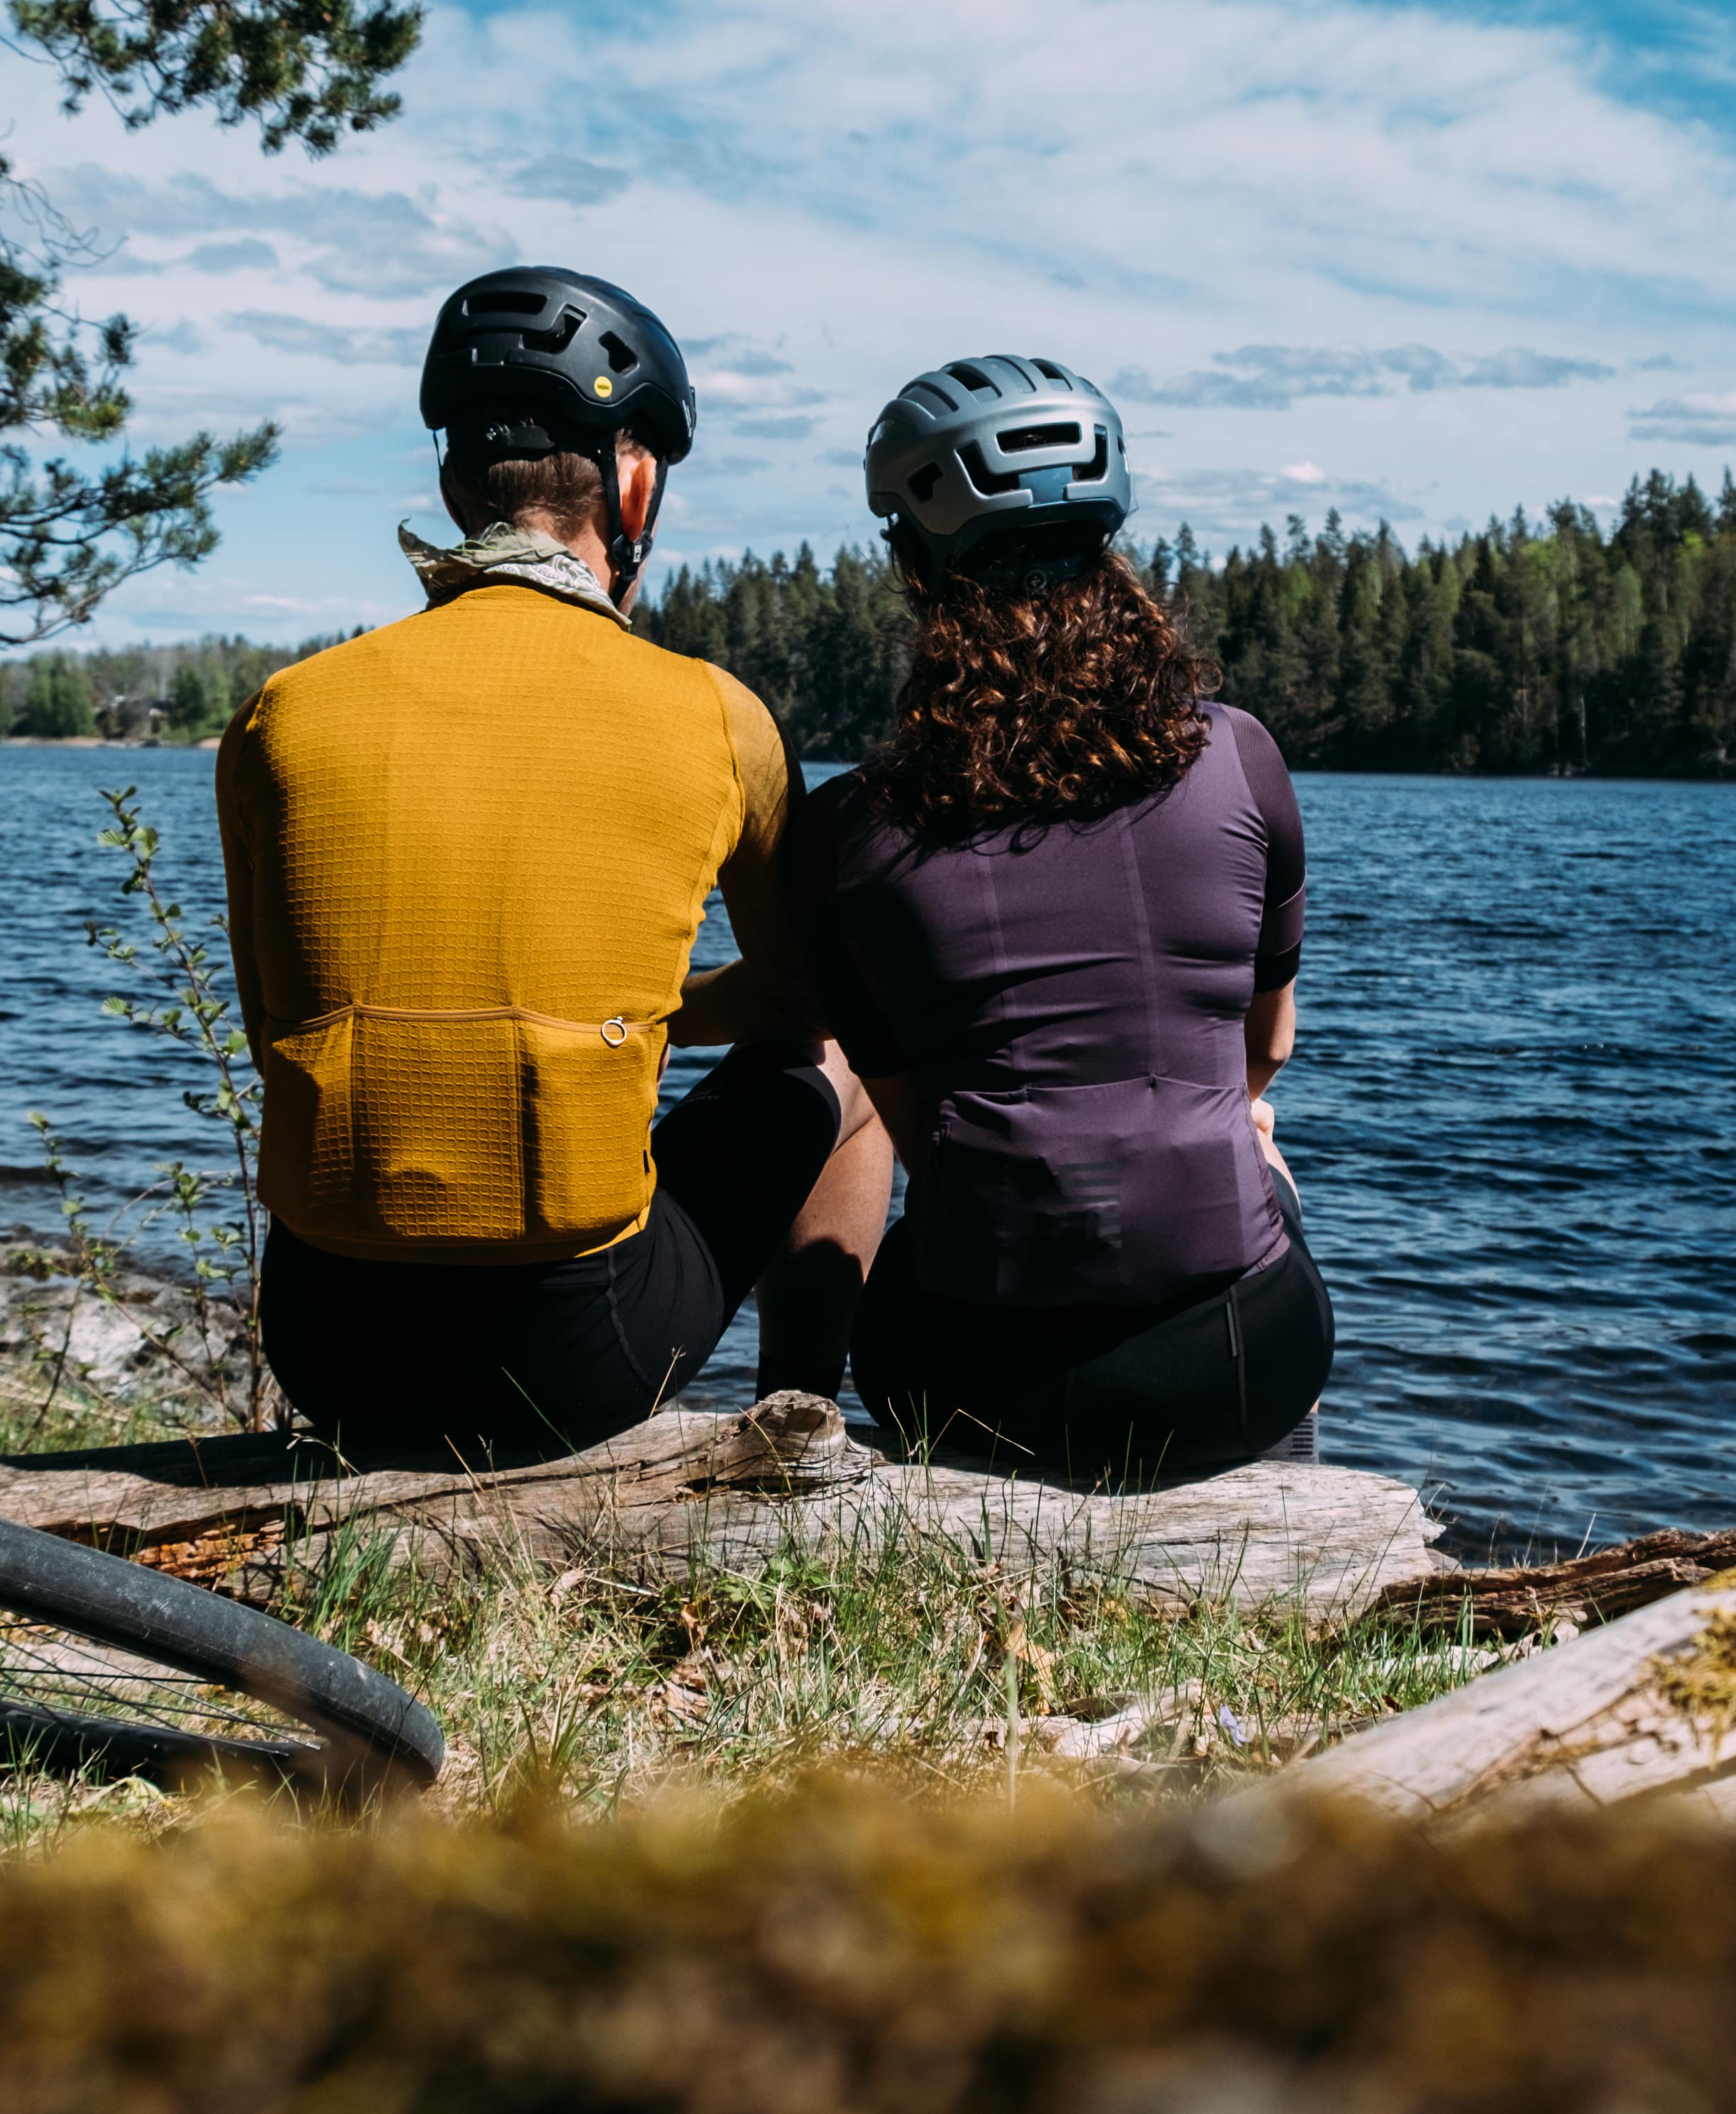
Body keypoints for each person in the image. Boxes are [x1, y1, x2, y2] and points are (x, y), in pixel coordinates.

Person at [215, 266, 890, 1460]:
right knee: (842, 1070)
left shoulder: (285, 710)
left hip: (326, 1349)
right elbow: (798, 1004)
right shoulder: (716, 713)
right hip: (570, 1361)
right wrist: (625, 1024)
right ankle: (806, 1416)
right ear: (631, 480)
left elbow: (277, 1011)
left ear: (452, 480)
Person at [784, 355, 1328, 1478]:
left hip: (967, 1379)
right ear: (1110, 538)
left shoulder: (851, 826)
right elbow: (1262, 1050)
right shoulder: (1240, 754)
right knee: (1254, 1155)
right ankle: (1276, 1507)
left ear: (913, 562)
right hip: (1235, 1366)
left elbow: (918, 1129)